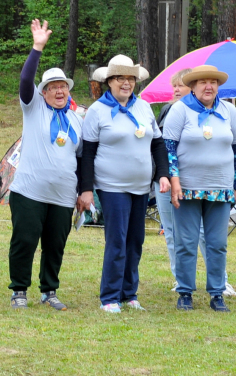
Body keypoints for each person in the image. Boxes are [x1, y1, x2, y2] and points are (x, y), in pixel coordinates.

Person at [79, 55, 170, 313]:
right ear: (109, 81)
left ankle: (129, 294)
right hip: (112, 186)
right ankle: (109, 297)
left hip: (141, 187)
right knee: (117, 240)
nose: (126, 83)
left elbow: (157, 143)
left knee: (135, 241)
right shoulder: (97, 111)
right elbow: (87, 153)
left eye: (130, 78)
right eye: (120, 78)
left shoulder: (143, 107)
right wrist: (86, 189)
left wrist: (162, 174)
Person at [8, 19, 83, 311]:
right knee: (24, 241)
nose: (59, 91)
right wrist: (37, 47)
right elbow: (26, 80)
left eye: (63, 86)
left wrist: (85, 190)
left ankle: (49, 290)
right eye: (53, 87)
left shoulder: (78, 118)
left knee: (55, 246)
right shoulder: (33, 107)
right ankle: (19, 291)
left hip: (63, 195)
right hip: (30, 192)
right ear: (44, 92)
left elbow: (82, 158)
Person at [163, 65, 236, 312]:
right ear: (193, 86)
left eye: (213, 82)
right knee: (186, 242)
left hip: (220, 187)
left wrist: (235, 185)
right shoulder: (180, 110)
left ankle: (217, 293)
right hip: (187, 187)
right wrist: (175, 180)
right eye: (203, 82)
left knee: (217, 243)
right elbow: (169, 149)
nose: (209, 87)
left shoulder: (229, 110)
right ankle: (185, 292)